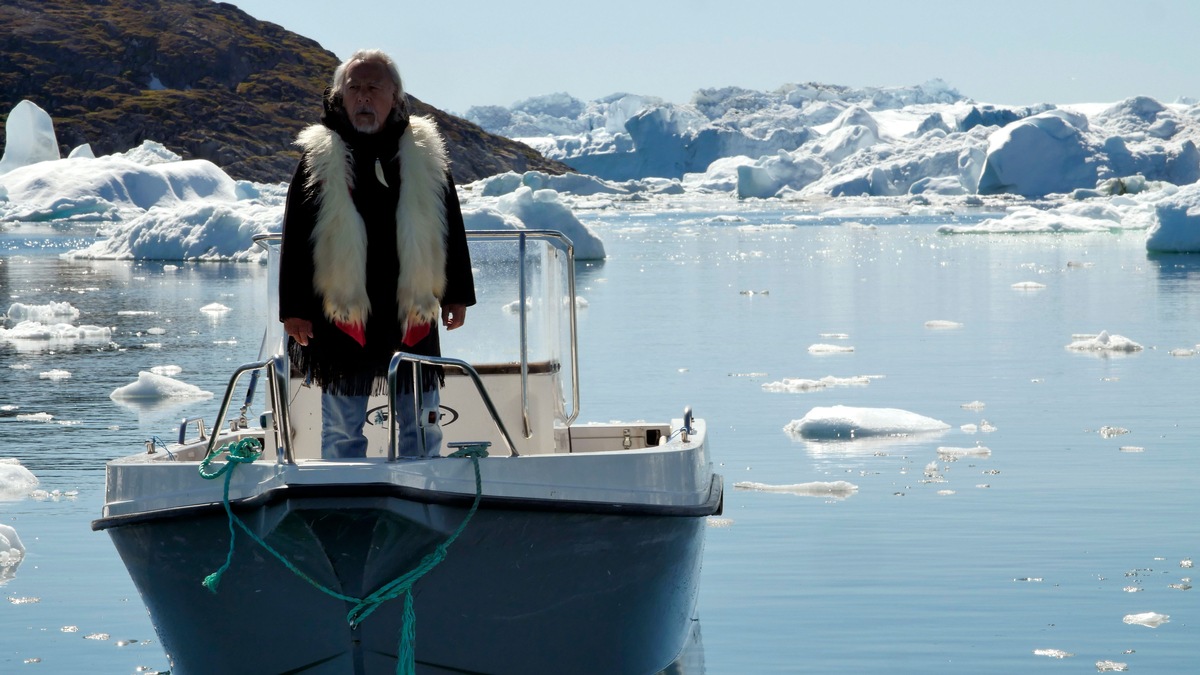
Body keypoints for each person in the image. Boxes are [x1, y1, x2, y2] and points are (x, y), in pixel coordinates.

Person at [278, 49, 475, 459]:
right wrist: (293, 309)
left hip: (411, 305)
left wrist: (457, 293)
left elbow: (449, 224)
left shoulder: (423, 152)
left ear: (396, 97)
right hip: (341, 308)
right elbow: (296, 235)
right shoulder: (319, 154)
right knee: (341, 429)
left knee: (419, 425)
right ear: (340, 96)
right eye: (354, 89)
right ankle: (345, 498)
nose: (363, 98)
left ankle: (422, 493)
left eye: (373, 88)